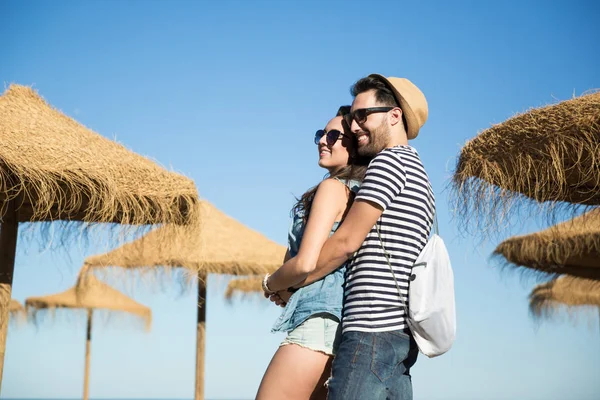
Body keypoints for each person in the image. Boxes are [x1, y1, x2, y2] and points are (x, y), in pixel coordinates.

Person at [265, 75, 435, 400]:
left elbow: (345, 243)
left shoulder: (388, 162)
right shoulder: (419, 173)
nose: (355, 126)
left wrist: (286, 284)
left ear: (394, 116)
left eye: (362, 115)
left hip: (369, 330)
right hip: (400, 335)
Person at [256, 106, 371, 400]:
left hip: (317, 324)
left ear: (354, 146)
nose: (323, 140)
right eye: (321, 134)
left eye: (334, 135)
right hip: (341, 325)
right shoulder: (360, 195)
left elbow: (305, 263)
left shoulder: (332, 189)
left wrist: (271, 283)